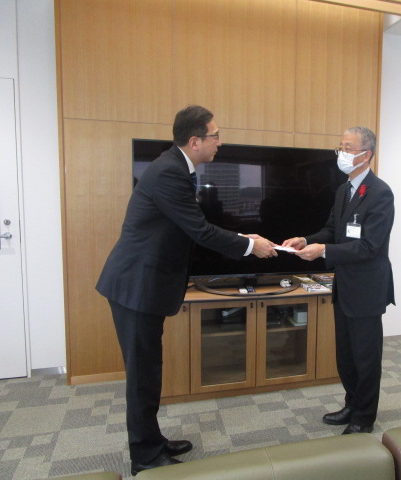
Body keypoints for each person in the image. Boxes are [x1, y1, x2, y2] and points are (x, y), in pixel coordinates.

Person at [96, 105, 277, 475]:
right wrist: (249, 245)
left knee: (149, 369)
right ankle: (145, 456)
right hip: (136, 286)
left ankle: (152, 440)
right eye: (215, 136)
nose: (220, 142)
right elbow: (199, 230)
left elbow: (190, 225)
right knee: (143, 375)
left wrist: (242, 235)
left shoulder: (176, 168)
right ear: (195, 141)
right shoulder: (169, 172)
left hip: (143, 284)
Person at [282, 126, 395, 434]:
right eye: (340, 148)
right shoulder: (343, 190)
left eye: (348, 148)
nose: (341, 154)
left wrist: (324, 251)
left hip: (367, 289)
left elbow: (370, 246)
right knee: (345, 355)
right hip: (344, 285)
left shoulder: (381, 193)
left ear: (366, 155)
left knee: (366, 357)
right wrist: (307, 240)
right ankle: (351, 405)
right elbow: (332, 230)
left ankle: (364, 418)